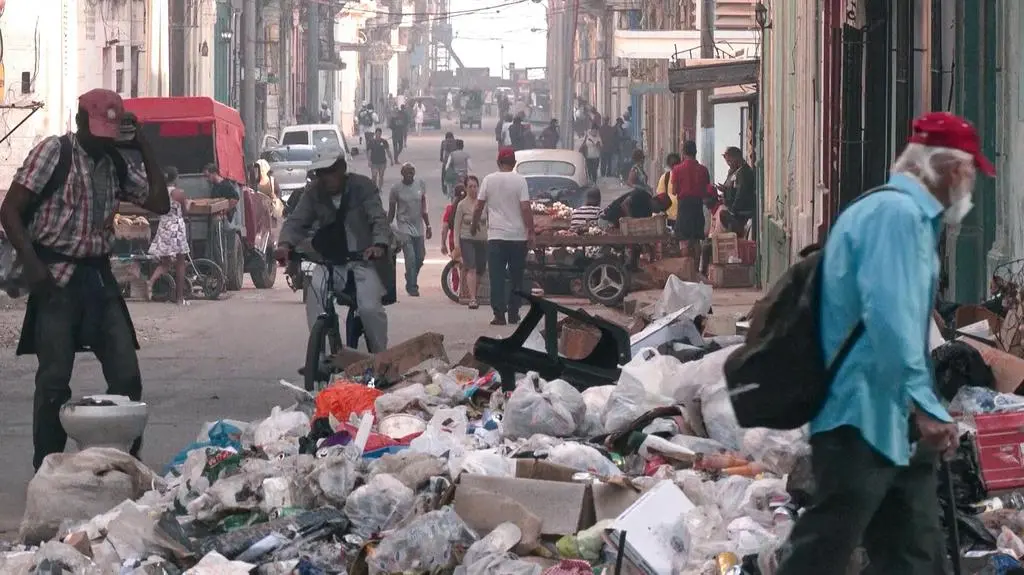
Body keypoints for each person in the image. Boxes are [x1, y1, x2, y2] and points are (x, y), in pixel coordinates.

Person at [774, 111, 991, 575]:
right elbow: (890, 321)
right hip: (860, 416)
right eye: (969, 172)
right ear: (947, 168)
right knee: (825, 547)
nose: (969, 185)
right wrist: (925, 407)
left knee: (914, 550)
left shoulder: (903, 215)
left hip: (886, 418)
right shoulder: (897, 219)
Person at [0, 89, 170, 470]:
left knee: (127, 375)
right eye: (97, 130)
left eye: (111, 131)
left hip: (97, 276)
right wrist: (31, 263)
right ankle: (47, 466)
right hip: (55, 275)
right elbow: (10, 210)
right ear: (80, 122)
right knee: (54, 380)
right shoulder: (53, 153)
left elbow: (160, 203)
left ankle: (122, 462)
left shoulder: (116, 163)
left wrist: (144, 147)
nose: (103, 139)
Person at [276, 152, 392, 353]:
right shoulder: (314, 192)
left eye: (331, 172)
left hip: (363, 258)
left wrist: (379, 245)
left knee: (369, 309)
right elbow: (296, 221)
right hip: (329, 261)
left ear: (342, 169)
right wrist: (284, 245)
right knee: (315, 299)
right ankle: (319, 355)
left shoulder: (363, 187)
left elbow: (378, 220)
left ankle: (382, 358)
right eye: (322, 173)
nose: (326, 178)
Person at [471, 147, 535, 326]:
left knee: (497, 277)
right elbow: (525, 208)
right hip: (517, 237)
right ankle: (514, 314)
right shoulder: (520, 181)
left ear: (498, 163)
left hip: (496, 237)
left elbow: (478, 206)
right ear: (514, 163)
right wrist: (531, 231)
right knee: (516, 277)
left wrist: (474, 225)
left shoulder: (489, 180)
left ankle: (499, 315)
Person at [147, 167, 191, 304]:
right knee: (180, 263)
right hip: (176, 229)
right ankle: (179, 298)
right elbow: (185, 212)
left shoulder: (158, 193)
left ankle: (151, 281)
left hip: (164, 227)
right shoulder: (179, 193)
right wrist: (189, 203)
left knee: (165, 262)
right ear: (176, 178)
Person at [388, 163, 431, 297]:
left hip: (418, 226)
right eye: (407, 172)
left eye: (411, 172)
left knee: (420, 257)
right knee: (410, 257)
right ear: (402, 173)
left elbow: (423, 206)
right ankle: (412, 286)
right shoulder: (396, 189)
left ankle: (410, 275)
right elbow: (392, 211)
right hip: (404, 226)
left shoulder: (420, 184)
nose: (409, 175)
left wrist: (428, 225)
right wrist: (386, 226)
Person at [671, 140, 711, 262]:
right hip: (697, 205)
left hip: (684, 206)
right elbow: (706, 190)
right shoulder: (703, 170)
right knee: (696, 239)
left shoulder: (677, 169)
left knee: (684, 240)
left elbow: (674, 191)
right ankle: (696, 270)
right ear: (696, 152)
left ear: (683, 153)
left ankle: (686, 269)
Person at [453, 175, 488, 310]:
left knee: (480, 268)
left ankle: (475, 292)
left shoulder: (483, 203)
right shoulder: (462, 205)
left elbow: (489, 222)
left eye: (475, 186)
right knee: (471, 267)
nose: (473, 189)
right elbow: (457, 227)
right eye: (470, 187)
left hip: (482, 240)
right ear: (466, 189)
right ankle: (472, 298)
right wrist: (457, 245)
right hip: (467, 239)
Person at [720, 146, 756, 237]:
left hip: (742, 212)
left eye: (729, 161)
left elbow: (741, 193)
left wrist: (733, 210)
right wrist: (726, 190)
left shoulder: (743, 172)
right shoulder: (736, 172)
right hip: (738, 210)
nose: (729, 164)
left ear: (736, 158)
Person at [600, 187, 670, 228]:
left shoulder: (648, 212)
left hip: (620, 227)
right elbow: (624, 204)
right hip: (609, 219)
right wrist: (632, 221)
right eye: (660, 208)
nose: (658, 211)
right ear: (656, 201)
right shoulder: (642, 194)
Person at [699, 192, 728, 277]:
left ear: (712, 199)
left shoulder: (722, 211)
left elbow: (727, 230)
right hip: (715, 239)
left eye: (706, 200)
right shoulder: (713, 211)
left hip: (722, 240)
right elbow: (712, 230)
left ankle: (703, 274)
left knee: (706, 248)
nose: (705, 203)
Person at [656, 153, 681, 228]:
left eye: (677, 163)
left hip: (682, 216)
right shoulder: (665, 177)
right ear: (669, 165)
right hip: (669, 218)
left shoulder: (684, 176)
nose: (675, 166)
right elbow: (660, 197)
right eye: (673, 164)